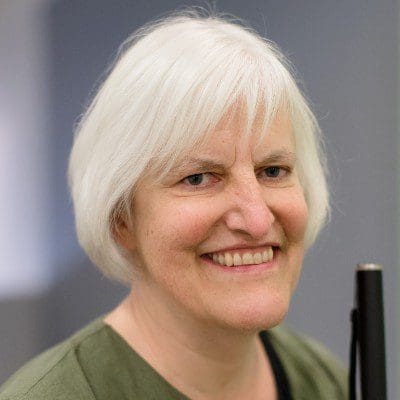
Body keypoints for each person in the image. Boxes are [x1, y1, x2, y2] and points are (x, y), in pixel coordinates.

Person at [0, 7, 347, 400]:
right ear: (121, 220)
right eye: (198, 178)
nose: (255, 218)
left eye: (272, 171)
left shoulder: (326, 381)